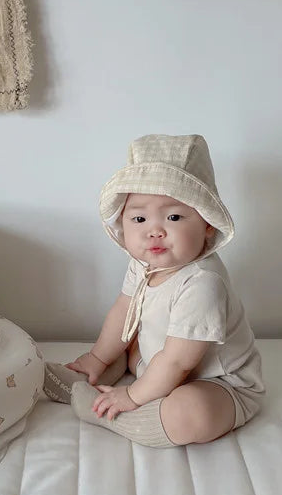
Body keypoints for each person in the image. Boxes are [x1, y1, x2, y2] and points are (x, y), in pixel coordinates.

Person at [43, 133, 264, 447]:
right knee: (129, 338)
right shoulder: (146, 263)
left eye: (174, 216)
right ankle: (99, 375)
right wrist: (96, 357)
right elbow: (124, 311)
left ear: (207, 225)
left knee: (190, 412)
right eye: (139, 218)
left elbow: (178, 362)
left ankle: (113, 414)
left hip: (217, 384)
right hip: (156, 364)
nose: (154, 231)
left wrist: (132, 396)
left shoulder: (202, 283)